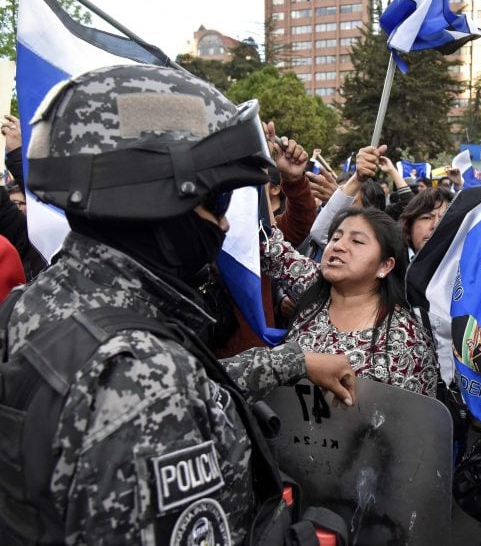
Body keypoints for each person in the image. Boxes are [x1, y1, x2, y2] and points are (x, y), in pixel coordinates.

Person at [0, 64, 356, 544]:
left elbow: (200, 379)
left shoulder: (35, 303)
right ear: (157, 200)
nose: (225, 227)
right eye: (217, 203)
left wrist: (293, 360)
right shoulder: (147, 376)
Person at [251, 205, 439, 397]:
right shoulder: (314, 287)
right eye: (335, 238)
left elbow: (413, 420)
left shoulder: (406, 339)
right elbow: (269, 245)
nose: (338, 246)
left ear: (385, 265)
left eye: (357, 241)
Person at [398, 186, 454, 257]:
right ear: (409, 226)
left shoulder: (466, 265)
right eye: (427, 218)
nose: (435, 225)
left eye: (444, 218)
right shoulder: (390, 264)